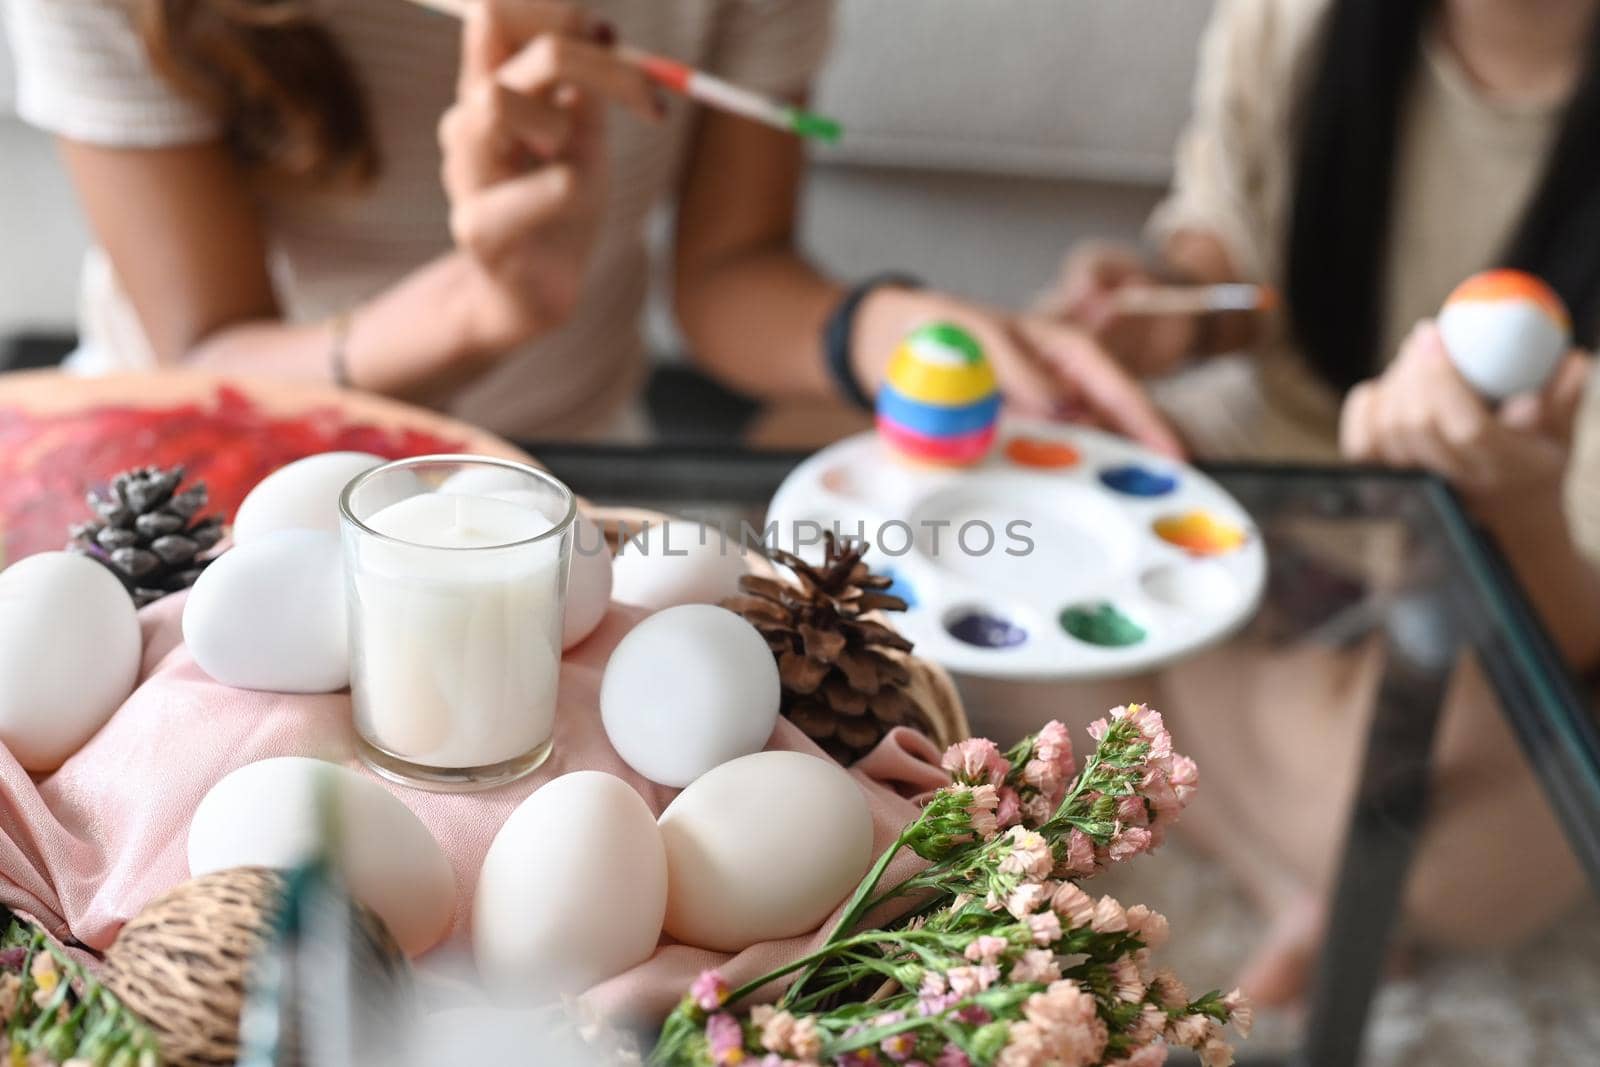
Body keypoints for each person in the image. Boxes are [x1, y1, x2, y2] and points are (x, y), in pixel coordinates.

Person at [1039, 0, 1600, 1004]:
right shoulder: (1294, 21)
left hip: (1525, 598)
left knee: (1431, 826)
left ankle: (1259, 796)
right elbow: (1235, 263)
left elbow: (1572, 629)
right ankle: (1299, 872)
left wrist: (1512, 503)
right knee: (937, 500)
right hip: (1281, 500)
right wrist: (1166, 305)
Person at [1, 0, 1179, 452]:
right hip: (210, 451)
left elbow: (730, 272)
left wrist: (880, 325)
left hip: (563, 464)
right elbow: (208, 353)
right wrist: (479, 304)